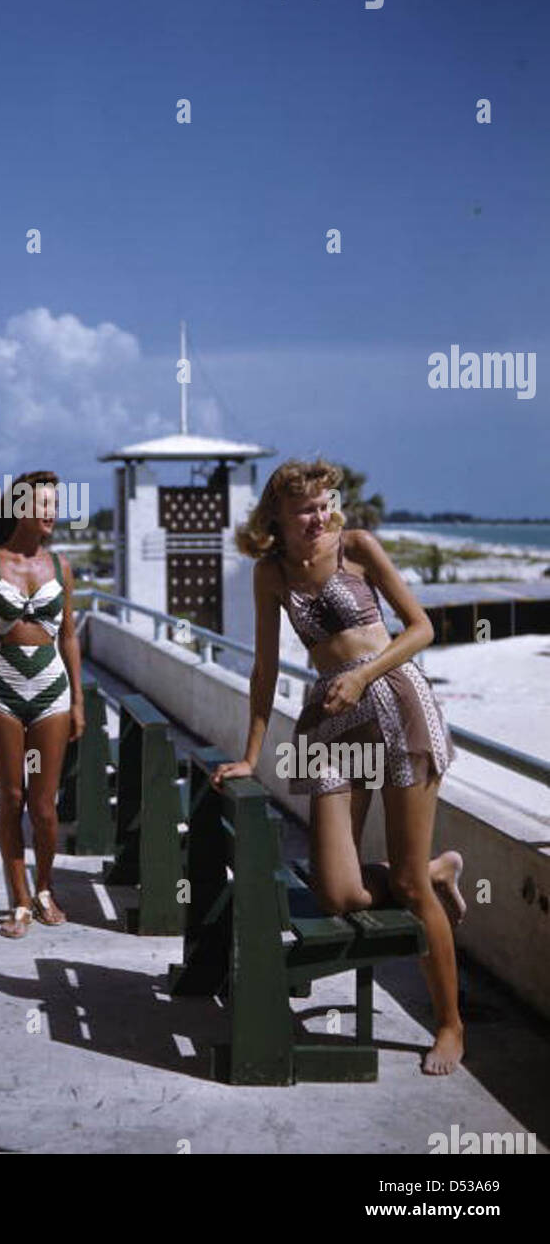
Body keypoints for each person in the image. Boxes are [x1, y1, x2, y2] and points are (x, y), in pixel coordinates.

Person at [211, 458, 465, 1075]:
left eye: (326, 504)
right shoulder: (269, 574)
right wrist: (251, 753)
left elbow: (422, 628)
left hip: (397, 702)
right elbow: (265, 668)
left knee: (399, 887)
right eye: (307, 508)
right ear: (277, 516)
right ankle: (433, 874)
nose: (320, 517)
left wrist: (362, 675)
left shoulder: (358, 547)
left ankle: (451, 1024)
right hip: (330, 721)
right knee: (337, 894)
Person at [0, 471, 84, 937]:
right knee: (10, 799)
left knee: (45, 805)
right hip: (2, 688)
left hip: (52, 688)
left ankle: (45, 889)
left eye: (55, 503)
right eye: (43, 504)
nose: (51, 511)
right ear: (19, 510)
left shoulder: (61, 565)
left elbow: (69, 635)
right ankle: (18, 902)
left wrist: (79, 702)